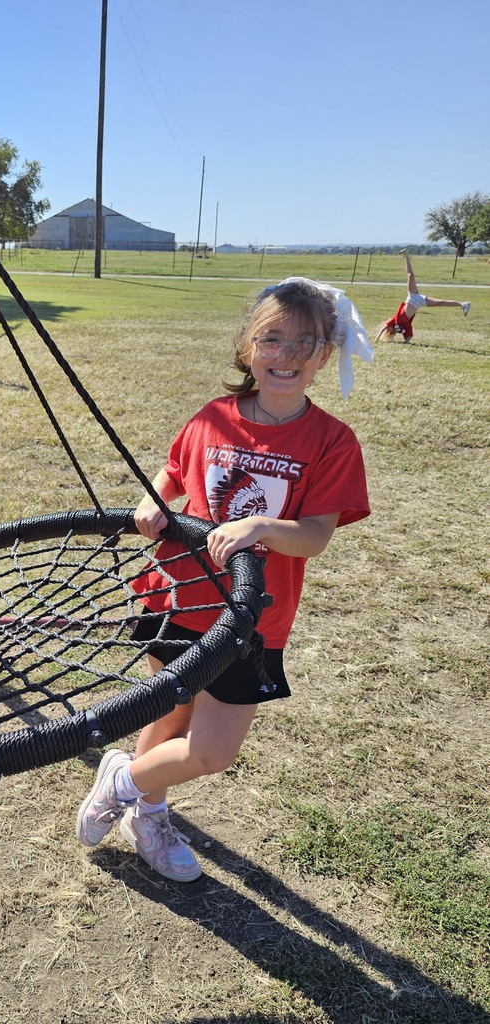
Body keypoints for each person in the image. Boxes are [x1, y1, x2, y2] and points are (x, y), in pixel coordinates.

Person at [76, 278, 372, 883]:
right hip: (177, 597)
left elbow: (314, 535)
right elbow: (172, 473)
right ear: (247, 348)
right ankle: (148, 813)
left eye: (304, 344)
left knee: (213, 751)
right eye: (272, 338)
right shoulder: (213, 417)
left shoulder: (333, 442)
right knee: (169, 717)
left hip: (250, 619)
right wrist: (152, 500)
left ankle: (123, 781)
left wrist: (259, 526)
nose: (286, 356)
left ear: (324, 356)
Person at [376, 250, 470, 342]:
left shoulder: (393, 321)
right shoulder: (403, 328)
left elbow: (382, 328)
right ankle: (463, 305)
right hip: (419, 302)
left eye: (389, 330)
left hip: (412, 298)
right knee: (440, 302)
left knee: (410, 275)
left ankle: (406, 256)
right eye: (391, 332)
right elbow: (409, 336)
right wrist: (405, 342)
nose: (391, 329)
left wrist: (376, 339)